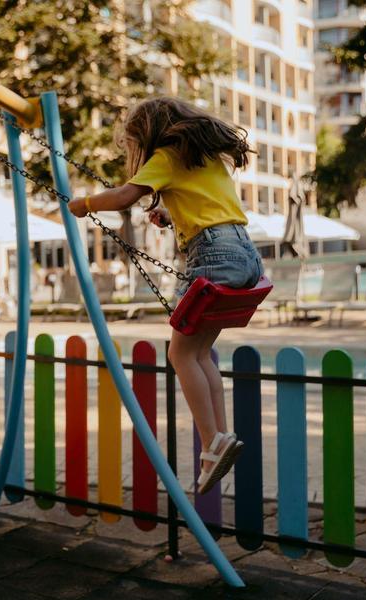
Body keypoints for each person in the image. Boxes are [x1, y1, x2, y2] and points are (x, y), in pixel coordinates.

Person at [68, 97, 263, 494]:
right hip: (245, 255)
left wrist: (83, 203)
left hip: (212, 255)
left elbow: (124, 196)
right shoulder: (206, 157)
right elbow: (212, 208)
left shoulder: (167, 155)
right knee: (200, 353)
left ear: (151, 133)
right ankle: (219, 440)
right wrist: (172, 216)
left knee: (179, 354)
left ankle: (213, 440)